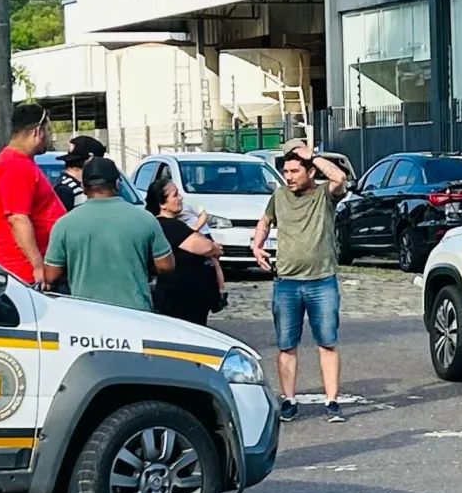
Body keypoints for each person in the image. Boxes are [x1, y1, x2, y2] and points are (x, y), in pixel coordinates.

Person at [250, 139, 349, 421]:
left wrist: (312, 155)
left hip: (322, 281)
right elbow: (265, 221)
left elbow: (339, 177)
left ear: (310, 171)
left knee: (327, 342)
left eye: (295, 171)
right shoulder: (279, 196)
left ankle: (332, 402)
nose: (289, 177)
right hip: (287, 282)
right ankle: (289, 400)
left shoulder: (325, 195)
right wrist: (257, 245)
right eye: (286, 171)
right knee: (286, 344)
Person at [40, 156, 170, 313]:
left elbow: (51, 276)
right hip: (136, 314)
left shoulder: (64, 224)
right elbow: (166, 265)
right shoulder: (145, 219)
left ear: (83, 187)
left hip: (87, 314)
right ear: (117, 183)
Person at [0, 102, 62, 285]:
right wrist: (37, 266)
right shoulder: (15, 165)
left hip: (26, 269)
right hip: (22, 272)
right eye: (47, 130)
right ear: (37, 132)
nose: (49, 136)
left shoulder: (21, 162)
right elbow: (18, 218)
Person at [145, 166, 227, 326]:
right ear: (162, 204)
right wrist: (215, 248)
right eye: (175, 195)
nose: (180, 198)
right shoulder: (168, 225)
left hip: (192, 298)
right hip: (181, 298)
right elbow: (205, 247)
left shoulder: (174, 224)